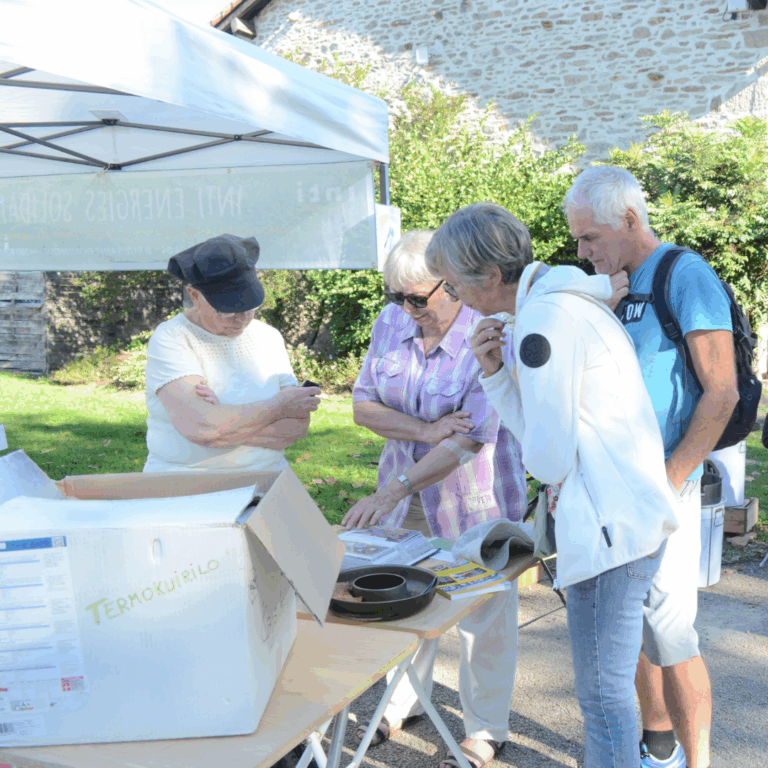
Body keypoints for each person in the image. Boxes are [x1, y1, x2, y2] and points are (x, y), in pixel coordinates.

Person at [426, 202, 680, 768]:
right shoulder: (561, 305)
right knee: (607, 691)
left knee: (602, 695)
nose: (453, 295)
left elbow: (548, 458)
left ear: (490, 276)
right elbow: (550, 439)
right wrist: (495, 376)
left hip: (608, 527)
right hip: (627, 517)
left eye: (455, 282)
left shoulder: (541, 322)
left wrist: (501, 376)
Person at [563, 167, 738, 768]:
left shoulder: (686, 275)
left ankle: (699, 761)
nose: (583, 252)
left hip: (668, 484)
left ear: (631, 221)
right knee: (627, 625)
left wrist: (671, 480)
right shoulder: (609, 285)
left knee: (669, 632)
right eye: (578, 241)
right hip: (617, 488)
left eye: (590, 237)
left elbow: (722, 394)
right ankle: (656, 743)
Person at [341, 230, 527, 768]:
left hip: (477, 500)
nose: (407, 309)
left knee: (483, 616)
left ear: (452, 285)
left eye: (417, 298)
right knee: (400, 600)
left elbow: (470, 439)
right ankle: (402, 705)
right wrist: (427, 432)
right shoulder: (393, 321)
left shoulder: (490, 333)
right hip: (405, 495)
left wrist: (400, 482)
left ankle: (486, 729)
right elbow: (361, 405)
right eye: (397, 297)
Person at [143, 233, 320, 473]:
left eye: (251, 307)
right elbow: (205, 429)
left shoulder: (268, 337)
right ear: (195, 295)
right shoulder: (172, 338)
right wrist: (280, 405)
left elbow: (296, 428)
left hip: (269, 477)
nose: (243, 319)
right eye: (227, 310)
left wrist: (224, 420)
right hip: (186, 482)